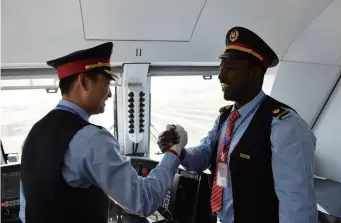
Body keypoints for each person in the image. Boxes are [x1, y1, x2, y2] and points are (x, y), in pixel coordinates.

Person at [157, 27, 317, 223]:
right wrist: (179, 151)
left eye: (229, 67)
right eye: (221, 66)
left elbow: (297, 208)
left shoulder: (284, 126)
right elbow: (206, 153)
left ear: (254, 72)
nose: (221, 76)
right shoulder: (225, 118)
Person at [20, 42, 187, 223]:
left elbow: (26, 210)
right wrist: (173, 152)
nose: (109, 94)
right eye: (106, 83)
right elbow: (143, 201)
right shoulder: (93, 140)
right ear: (83, 82)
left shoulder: (34, 133)